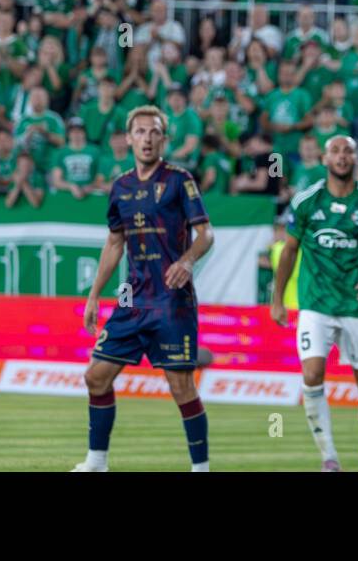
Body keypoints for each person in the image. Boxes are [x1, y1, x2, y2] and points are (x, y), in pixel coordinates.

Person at [73, 105, 213, 472]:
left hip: (172, 301)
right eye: (140, 132)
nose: (147, 139)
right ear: (129, 138)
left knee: (182, 388)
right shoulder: (120, 187)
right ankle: (96, 462)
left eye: (154, 132)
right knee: (95, 377)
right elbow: (114, 243)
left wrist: (186, 261)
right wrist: (93, 296)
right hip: (132, 298)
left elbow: (207, 233)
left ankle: (201, 469)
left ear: (164, 139)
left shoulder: (180, 179)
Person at [270, 135, 358, 472]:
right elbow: (288, 251)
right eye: (335, 152)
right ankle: (328, 457)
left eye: (348, 152)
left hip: (356, 306)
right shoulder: (306, 201)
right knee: (312, 374)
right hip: (315, 304)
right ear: (325, 158)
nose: (342, 157)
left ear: (356, 158)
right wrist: (277, 300)